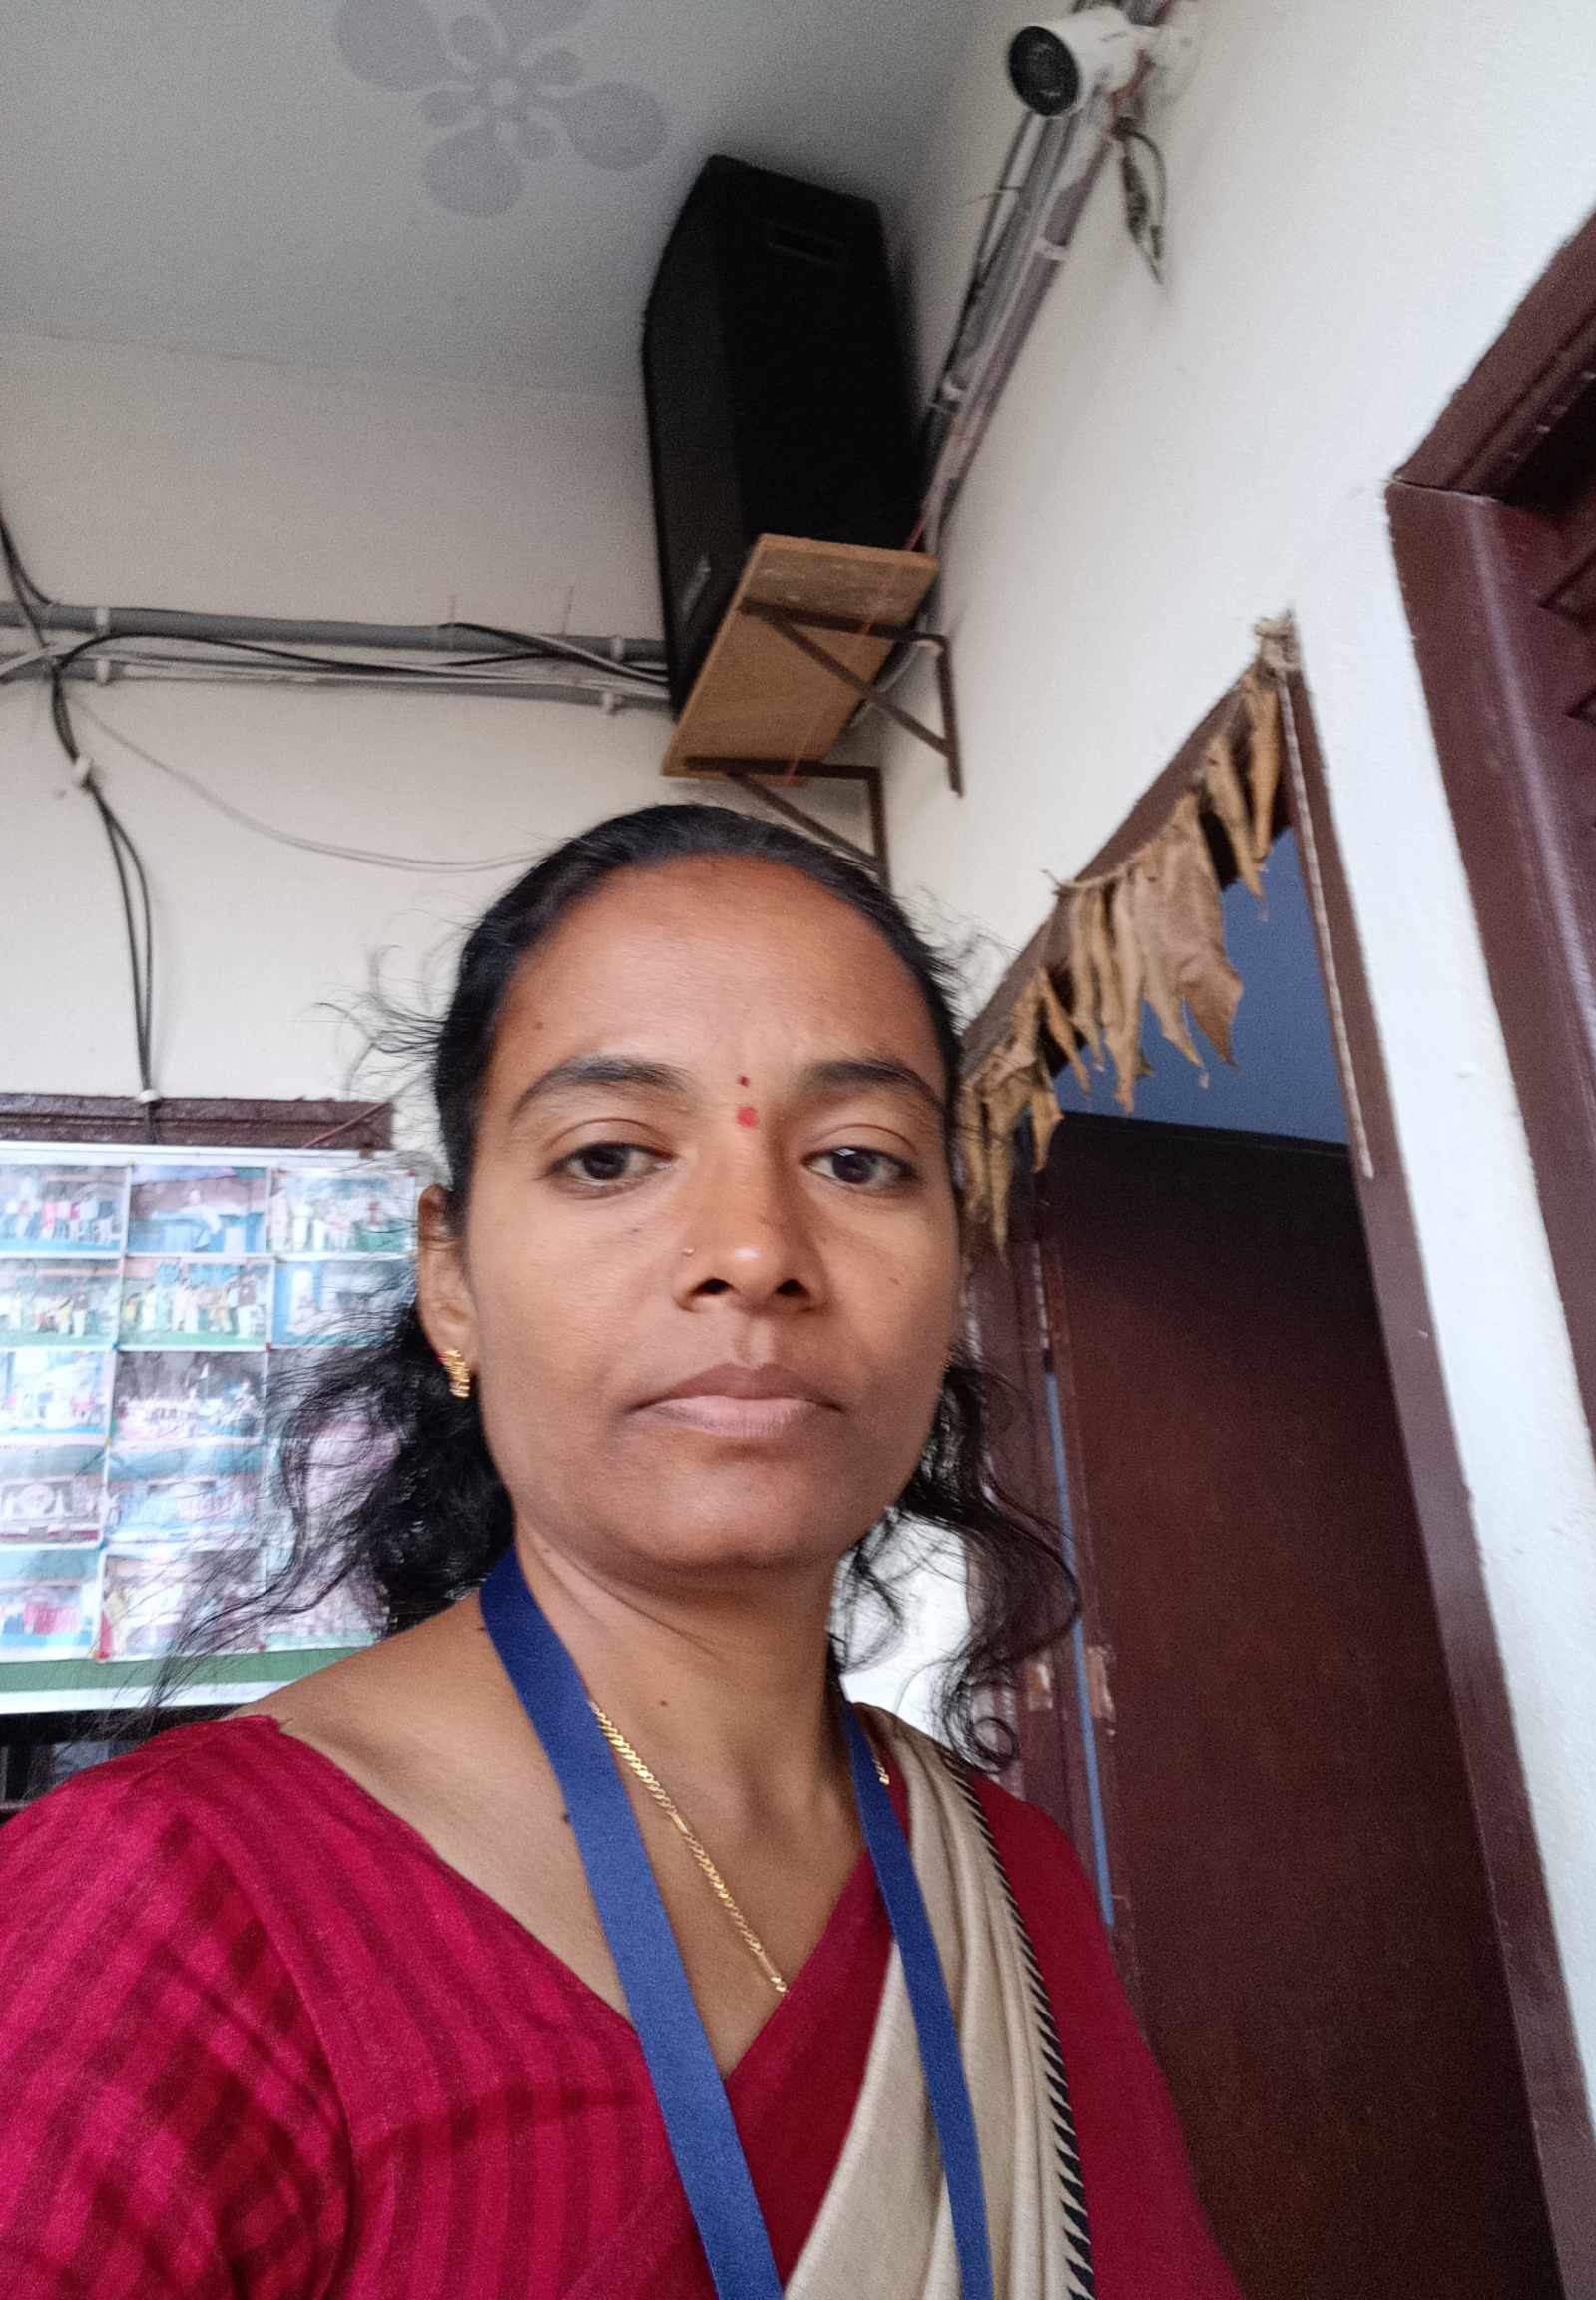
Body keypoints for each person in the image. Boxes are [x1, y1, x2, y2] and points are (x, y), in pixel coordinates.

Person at [0, 805, 1239, 2299]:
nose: (756, 1250)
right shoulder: (163, 1913)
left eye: (860, 1161)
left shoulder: (1016, 1887)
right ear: (451, 1284)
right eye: (607, 1157)